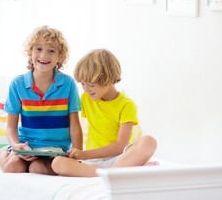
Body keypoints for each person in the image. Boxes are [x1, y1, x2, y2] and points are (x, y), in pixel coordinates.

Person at [0, 25, 83, 175]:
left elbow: (75, 125)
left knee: (37, 168)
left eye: (51, 51)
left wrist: (77, 154)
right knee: (13, 167)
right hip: (27, 145)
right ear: (30, 52)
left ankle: (23, 158)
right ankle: (0, 153)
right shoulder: (18, 84)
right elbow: (11, 127)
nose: (44, 56)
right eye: (38, 49)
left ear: (60, 56)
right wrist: (16, 145)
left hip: (55, 148)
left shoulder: (68, 84)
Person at [52, 48, 158, 177]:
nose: (86, 90)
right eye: (83, 84)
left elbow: (120, 146)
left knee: (149, 142)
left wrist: (84, 154)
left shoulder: (126, 105)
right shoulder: (86, 99)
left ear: (109, 79)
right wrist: (79, 154)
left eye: (91, 85)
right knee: (57, 163)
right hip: (93, 161)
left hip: (119, 158)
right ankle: (112, 174)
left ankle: (113, 172)